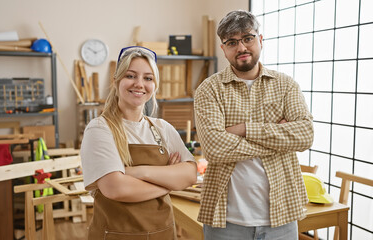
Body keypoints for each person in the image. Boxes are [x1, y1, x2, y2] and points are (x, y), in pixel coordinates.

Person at [194, 10, 314, 240]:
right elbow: (213, 149)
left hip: (282, 218)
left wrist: (244, 129)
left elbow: (305, 135)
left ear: (260, 39)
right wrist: (279, 140)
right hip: (225, 222)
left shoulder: (286, 85)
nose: (241, 48)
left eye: (247, 38)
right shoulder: (209, 90)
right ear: (224, 49)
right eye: (232, 42)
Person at [81, 46, 197, 239]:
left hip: (163, 233)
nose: (139, 84)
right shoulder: (99, 129)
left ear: (155, 85)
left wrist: (138, 172)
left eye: (148, 78)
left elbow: (190, 174)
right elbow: (116, 188)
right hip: (117, 235)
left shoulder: (162, 128)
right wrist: (169, 183)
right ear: (116, 80)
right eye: (131, 76)